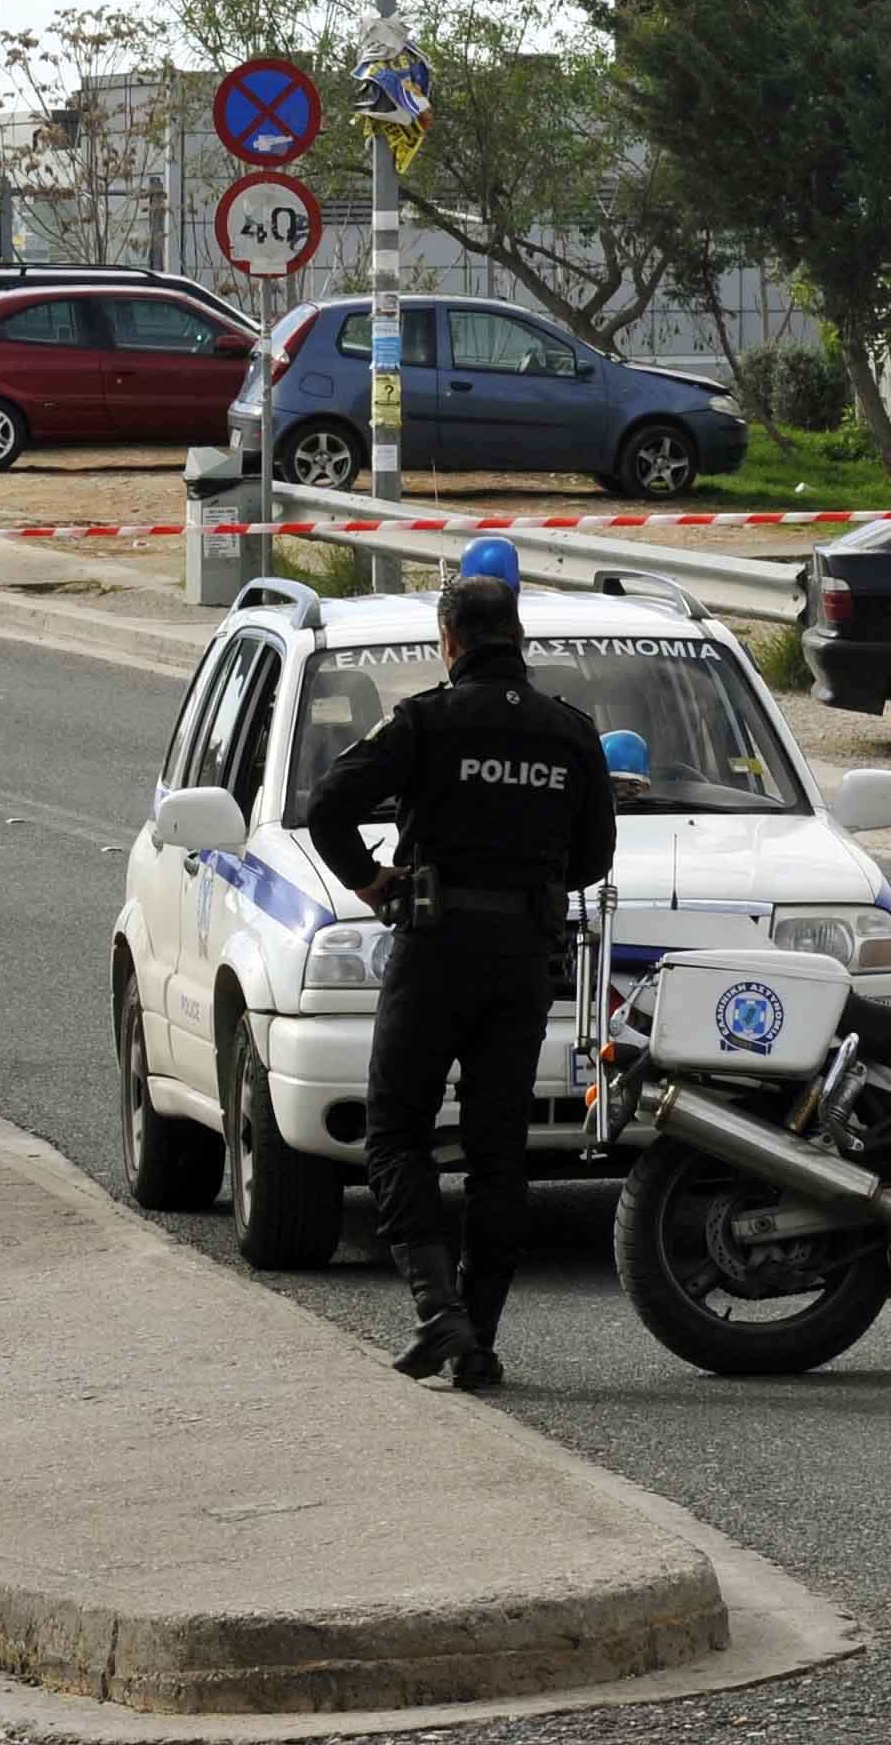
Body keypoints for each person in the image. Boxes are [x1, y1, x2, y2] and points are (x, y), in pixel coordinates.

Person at [296, 573, 615, 1392]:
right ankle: (479, 1334)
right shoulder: (570, 732)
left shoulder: (425, 721)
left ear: (450, 641)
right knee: (497, 1150)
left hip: (434, 950)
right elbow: (593, 861)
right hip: (523, 959)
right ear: (519, 639)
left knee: (396, 1133)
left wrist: (372, 883)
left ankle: (441, 1316)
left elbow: (330, 804)